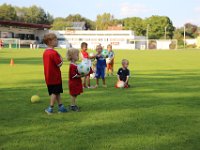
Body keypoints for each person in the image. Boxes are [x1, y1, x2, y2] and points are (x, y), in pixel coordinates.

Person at [43, 33, 67, 114]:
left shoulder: (45, 52)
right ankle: (50, 108)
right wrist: (61, 59)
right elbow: (59, 64)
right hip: (55, 77)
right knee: (54, 92)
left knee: (57, 92)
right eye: (55, 40)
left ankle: (61, 106)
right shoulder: (53, 53)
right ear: (50, 41)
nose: (57, 41)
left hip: (48, 76)